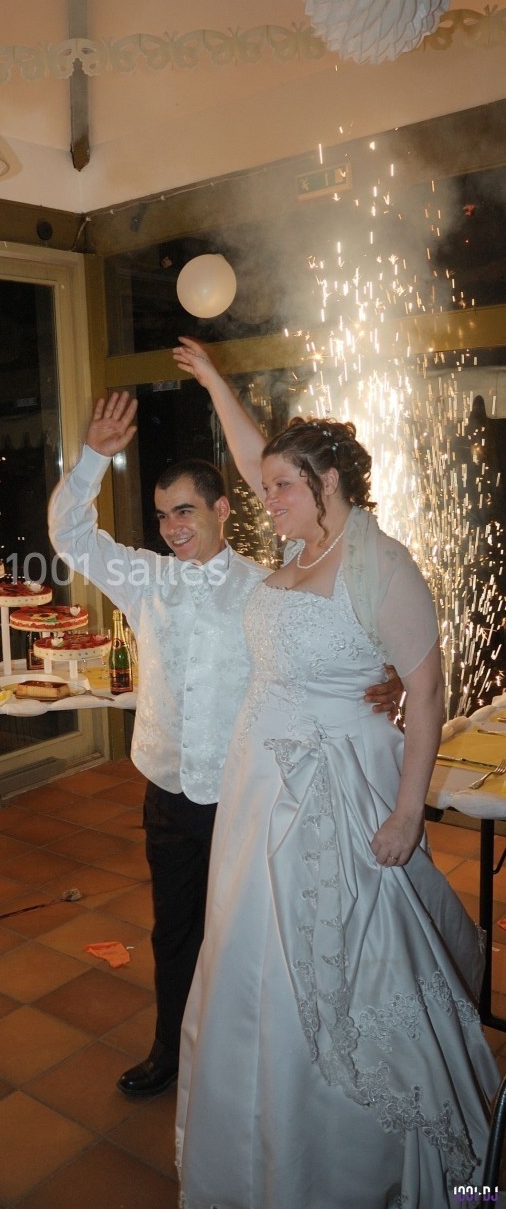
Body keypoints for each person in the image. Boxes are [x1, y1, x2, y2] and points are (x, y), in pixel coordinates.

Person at [172, 336, 499, 1208]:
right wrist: (212, 379)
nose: (264, 497)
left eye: (283, 486)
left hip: (336, 788)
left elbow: (426, 698)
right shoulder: (298, 544)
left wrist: (405, 819)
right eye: (268, 484)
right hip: (258, 783)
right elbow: (252, 457)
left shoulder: (379, 565)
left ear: (331, 485)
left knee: (339, 969)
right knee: (245, 954)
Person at [48, 390, 402, 1101]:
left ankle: (246, 1064)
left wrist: (385, 673)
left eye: (185, 510)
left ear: (221, 511)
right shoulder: (145, 579)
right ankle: (170, 1051)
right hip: (167, 792)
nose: (173, 526)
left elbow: (331, 635)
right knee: (172, 931)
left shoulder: (261, 589)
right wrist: (92, 459)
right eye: (161, 514)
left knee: (246, 939)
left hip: (245, 794)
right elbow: (70, 536)